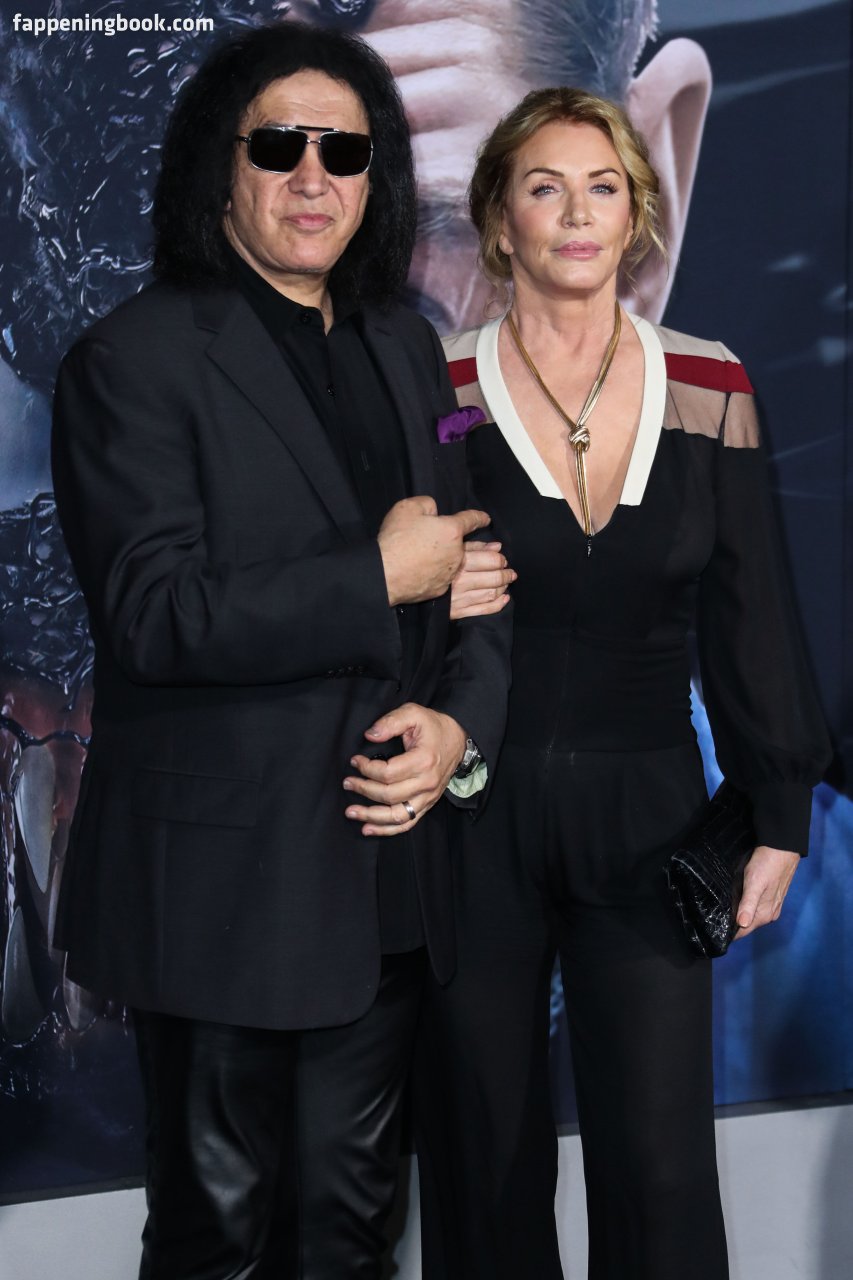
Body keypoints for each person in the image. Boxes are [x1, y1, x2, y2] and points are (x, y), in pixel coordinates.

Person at [49, 21, 510, 1277]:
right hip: (222, 893)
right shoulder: (131, 359)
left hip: (386, 882)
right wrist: (375, 578)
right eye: (280, 146)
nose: (315, 177)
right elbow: (153, 614)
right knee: (223, 1241)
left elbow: (472, 572)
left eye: (344, 151)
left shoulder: (405, 344)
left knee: (353, 1234)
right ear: (223, 166)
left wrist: (459, 728)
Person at [412, 87, 831, 1279]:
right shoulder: (433, 387)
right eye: (543, 188)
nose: (575, 213)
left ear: (637, 212)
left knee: (658, 1170)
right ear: (500, 218)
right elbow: (389, 587)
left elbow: (754, 611)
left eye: (602, 187)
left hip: (652, 816)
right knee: (483, 1164)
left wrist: (778, 809)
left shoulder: (709, 380)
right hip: (471, 816)